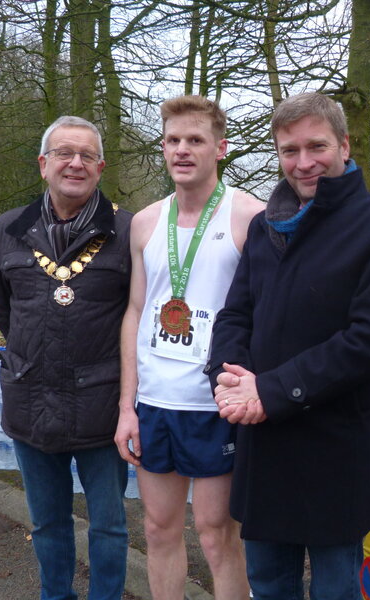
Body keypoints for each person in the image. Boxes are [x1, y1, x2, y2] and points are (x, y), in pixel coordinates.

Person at [207, 92, 370, 600]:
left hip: (335, 448)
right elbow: (236, 313)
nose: (303, 163)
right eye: (289, 150)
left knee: (336, 589)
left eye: (316, 146)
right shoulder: (264, 227)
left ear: (344, 145)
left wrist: (270, 392)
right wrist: (229, 378)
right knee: (269, 585)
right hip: (264, 445)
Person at [114, 95, 263, 600]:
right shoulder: (144, 223)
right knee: (158, 530)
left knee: (218, 536)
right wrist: (125, 406)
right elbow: (135, 311)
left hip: (216, 404)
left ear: (220, 147)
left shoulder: (249, 217)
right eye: (173, 140)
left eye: (195, 140)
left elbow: (266, 316)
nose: (183, 149)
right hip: (155, 401)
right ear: (162, 147)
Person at [0, 116, 132, 600]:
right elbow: (6, 311)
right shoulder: (8, 228)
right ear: (43, 164)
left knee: (110, 526)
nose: (76, 163)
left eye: (87, 155)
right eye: (65, 153)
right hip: (31, 403)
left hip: (103, 408)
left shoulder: (129, 231)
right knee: (47, 522)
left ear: (101, 166)